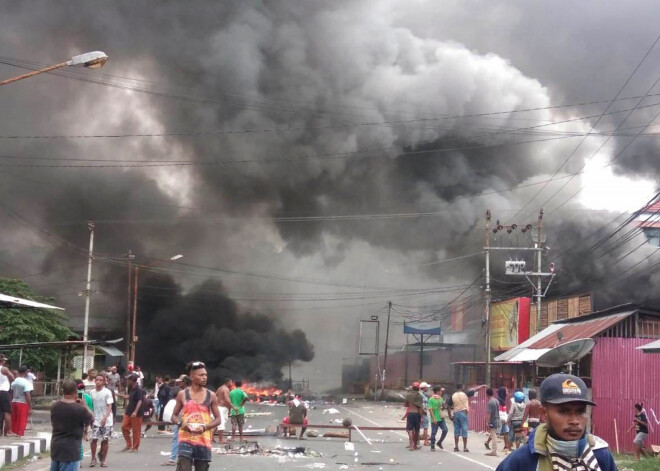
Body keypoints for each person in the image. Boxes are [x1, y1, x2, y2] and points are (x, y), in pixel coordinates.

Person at [496, 374, 617, 471]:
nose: (575, 421)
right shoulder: (523, 460)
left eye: (580, 412)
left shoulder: (600, 455)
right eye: (564, 411)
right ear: (544, 414)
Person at [171, 362, 221, 471]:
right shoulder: (183, 394)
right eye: (201, 375)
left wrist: (204, 427)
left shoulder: (211, 395)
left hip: (203, 441)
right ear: (192, 377)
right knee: (184, 468)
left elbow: (218, 419)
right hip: (185, 440)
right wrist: (181, 424)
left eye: (205, 375)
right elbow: (174, 416)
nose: (204, 378)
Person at [50, 379, 94, 471]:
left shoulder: (54, 406)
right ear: (76, 391)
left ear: (63, 391)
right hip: (71, 449)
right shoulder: (80, 409)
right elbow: (91, 419)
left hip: (56, 447)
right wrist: (84, 405)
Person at [163, 375, 190, 467]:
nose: (178, 383)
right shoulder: (189, 392)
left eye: (180, 381)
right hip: (184, 419)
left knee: (177, 439)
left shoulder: (183, 393)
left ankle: (173, 459)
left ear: (184, 382)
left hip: (184, 419)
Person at [89, 374, 113, 467]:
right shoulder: (92, 392)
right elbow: (91, 405)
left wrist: (105, 418)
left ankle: (103, 459)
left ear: (103, 382)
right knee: (94, 439)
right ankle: (93, 458)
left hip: (106, 420)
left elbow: (109, 406)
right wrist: (91, 417)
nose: (98, 381)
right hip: (96, 419)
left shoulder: (107, 392)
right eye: (97, 380)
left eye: (100, 380)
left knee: (105, 439)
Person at [120, 373, 145, 452]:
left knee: (136, 431)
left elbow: (140, 401)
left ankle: (135, 447)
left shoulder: (139, 390)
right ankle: (129, 444)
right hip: (128, 411)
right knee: (124, 427)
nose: (127, 381)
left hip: (136, 413)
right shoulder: (131, 388)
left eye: (128, 379)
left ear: (132, 380)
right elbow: (128, 397)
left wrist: (135, 411)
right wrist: (117, 394)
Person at [10, 365, 32, 437]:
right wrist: (30, 406)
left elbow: (12, 392)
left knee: (14, 419)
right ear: (26, 372)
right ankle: (20, 434)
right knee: (22, 420)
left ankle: (13, 433)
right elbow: (27, 395)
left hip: (14, 401)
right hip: (23, 403)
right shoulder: (26, 382)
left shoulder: (14, 381)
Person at [402, 382, 424, 451]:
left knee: (410, 430)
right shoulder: (420, 396)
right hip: (417, 414)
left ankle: (411, 445)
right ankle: (415, 445)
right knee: (417, 430)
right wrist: (422, 417)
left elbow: (405, 404)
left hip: (410, 413)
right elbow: (420, 408)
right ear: (418, 388)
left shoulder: (408, 395)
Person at [214, 378, 235, 443]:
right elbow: (227, 399)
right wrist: (233, 407)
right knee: (221, 423)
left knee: (217, 423)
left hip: (220, 407)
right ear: (228, 382)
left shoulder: (220, 388)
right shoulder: (225, 389)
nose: (231, 384)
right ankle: (221, 440)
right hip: (222, 408)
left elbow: (215, 395)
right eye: (231, 382)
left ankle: (211, 437)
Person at [449, 384, 470, 452]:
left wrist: (450, 415)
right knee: (464, 429)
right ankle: (465, 447)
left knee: (456, 430)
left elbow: (448, 406)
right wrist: (481, 387)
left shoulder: (453, 395)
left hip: (456, 414)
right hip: (463, 414)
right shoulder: (465, 394)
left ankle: (456, 447)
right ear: (462, 387)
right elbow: (474, 390)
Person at [428, 386, 448, 451]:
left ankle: (439, 442)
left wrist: (444, 405)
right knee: (434, 432)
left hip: (441, 417)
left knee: (445, 430)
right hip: (435, 417)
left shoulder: (440, 398)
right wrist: (433, 418)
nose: (441, 392)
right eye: (440, 391)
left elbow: (442, 407)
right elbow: (430, 410)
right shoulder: (431, 399)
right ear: (437, 391)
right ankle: (432, 445)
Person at [0, 355, 15, 436]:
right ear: (2, 361)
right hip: (4, 392)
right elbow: (12, 378)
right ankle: (8, 431)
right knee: (7, 412)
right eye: (4, 360)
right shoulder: (3, 369)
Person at [485, 388, 501, 457]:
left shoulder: (490, 402)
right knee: (493, 434)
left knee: (493, 435)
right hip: (497, 419)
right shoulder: (496, 401)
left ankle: (494, 451)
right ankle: (492, 449)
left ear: (487, 394)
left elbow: (489, 413)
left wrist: (487, 422)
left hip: (492, 421)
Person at [497, 387, 511, 452]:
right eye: (506, 391)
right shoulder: (500, 401)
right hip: (501, 419)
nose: (507, 392)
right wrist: (503, 419)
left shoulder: (502, 400)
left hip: (504, 419)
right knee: (496, 432)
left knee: (506, 431)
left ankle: (506, 446)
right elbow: (500, 411)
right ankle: (489, 443)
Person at [419, 382, 431, 446]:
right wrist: (423, 411)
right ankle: (426, 441)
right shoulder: (421, 395)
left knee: (418, 427)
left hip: (422, 412)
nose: (428, 388)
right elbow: (420, 404)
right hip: (423, 413)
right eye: (427, 387)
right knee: (425, 427)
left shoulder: (421, 394)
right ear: (424, 388)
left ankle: (417, 440)